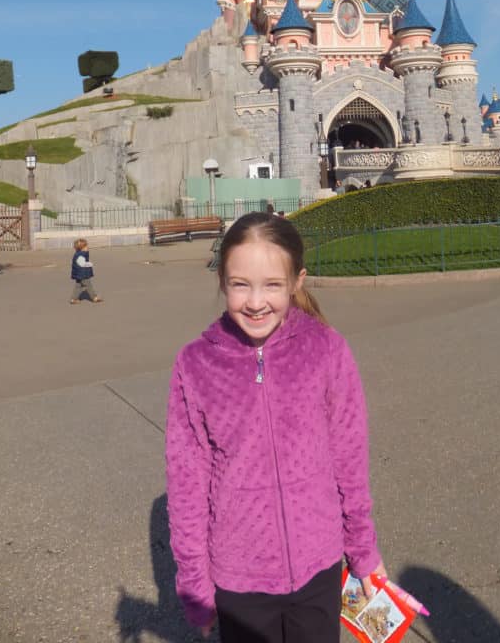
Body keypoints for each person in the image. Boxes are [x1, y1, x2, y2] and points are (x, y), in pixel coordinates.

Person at [165, 212, 385, 642]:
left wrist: (363, 550)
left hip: (318, 564)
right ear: (222, 282)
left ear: (296, 282)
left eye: (272, 285)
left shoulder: (326, 349)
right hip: (238, 574)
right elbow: (187, 482)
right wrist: (195, 585)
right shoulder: (195, 363)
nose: (255, 301)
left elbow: (350, 459)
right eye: (240, 284)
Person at [70, 238, 102, 304]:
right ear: (82, 248)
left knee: (78, 286)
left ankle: (73, 299)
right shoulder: (81, 255)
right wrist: (89, 264)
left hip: (79, 274)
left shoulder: (80, 254)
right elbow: (82, 264)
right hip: (82, 274)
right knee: (88, 285)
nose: (88, 247)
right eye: (86, 246)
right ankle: (94, 297)